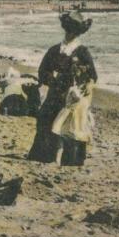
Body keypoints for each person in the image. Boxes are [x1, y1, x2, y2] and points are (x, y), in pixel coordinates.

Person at [28, 12, 98, 166]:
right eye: (69, 30)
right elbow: (42, 70)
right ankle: (43, 156)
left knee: (70, 126)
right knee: (45, 119)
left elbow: (93, 75)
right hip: (55, 92)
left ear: (78, 32)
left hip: (72, 95)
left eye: (74, 31)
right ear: (65, 29)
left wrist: (88, 85)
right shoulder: (54, 50)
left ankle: (70, 159)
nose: (70, 33)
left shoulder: (82, 51)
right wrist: (50, 81)